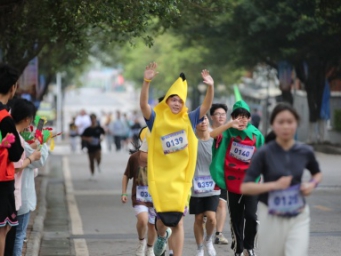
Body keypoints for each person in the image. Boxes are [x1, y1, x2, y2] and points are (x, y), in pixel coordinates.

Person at [140, 62, 214, 256]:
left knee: (179, 219)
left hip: (181, 180)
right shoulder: (156, 118)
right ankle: (162, 235)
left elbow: (206, 106)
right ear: (167, 102)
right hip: (160, 180)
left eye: (179, 101)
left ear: (183, 103)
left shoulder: (189, 119)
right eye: (173, 100)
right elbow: (143, 105)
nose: (176, 104)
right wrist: (146, 81)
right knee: (162, 220)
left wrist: (210, 87)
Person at [241, 103, 322, 256]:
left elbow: (317, 173)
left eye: (290, 122)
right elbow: (246, 187)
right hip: (270, 214)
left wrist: (312, 184)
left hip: (298, 214)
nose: (286, 126)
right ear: (273, 125)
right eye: (281, 122)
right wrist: (274, 185)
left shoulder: (305, 151)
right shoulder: (264, 153)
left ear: (297, 124)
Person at [210, 100, 264, 256]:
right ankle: (239, 249)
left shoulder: (257, 134)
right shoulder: (226, 132)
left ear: (249, 118)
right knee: (236, 218)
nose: (242, 120)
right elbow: (211, 135)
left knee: (251, 217)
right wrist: (228, 125)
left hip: (251, 182)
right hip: (232, 182)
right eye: (238, 116)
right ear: (233, 117)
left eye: (245, 116)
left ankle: (249, 246)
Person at [7, 98, 43, 256]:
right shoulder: (17, 139)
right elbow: (18, 166)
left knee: (11, 236)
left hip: (12, 195)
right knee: (18, 237)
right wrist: (32, 156)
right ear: (27, 119)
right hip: (17, 196)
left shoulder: (10, 135)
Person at [0, 64, 24, 256]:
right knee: (2, 231)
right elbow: (16, 154)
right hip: (2, 182)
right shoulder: (5, 119)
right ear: (13, 87)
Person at [121, 128, 156, 256]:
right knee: (143, 220)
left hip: (156, 199)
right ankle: (141, 242)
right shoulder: (134, 158)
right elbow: (126, 175)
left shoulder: (161, 158)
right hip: (140, 197)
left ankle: (150, 248)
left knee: (153, 225)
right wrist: (124, 193)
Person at [190, 115, 220, 256]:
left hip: (212, 185)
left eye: (205, 119)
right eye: (199, 120)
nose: (203, 122)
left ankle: (208, 240)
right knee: (198, 218)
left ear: (209, 122)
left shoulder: (215, 142)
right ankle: (199, 248)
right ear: (194, 124)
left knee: (212, 218)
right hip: (195, 186)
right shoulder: (191, 141)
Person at [209, 103, 229, 245]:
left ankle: (219, 233)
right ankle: (208, 228)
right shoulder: (206, 130)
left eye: (223, 114)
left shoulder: (230, 132)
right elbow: (213, 135)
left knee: (222, 203)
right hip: (205, 174)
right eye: (218, 114)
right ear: (212, 117)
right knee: (208, 208)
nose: (221, 116)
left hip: (222, 173)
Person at [81, 114, 105, 179]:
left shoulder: (99, 128)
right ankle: (92, 173)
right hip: (90, 147)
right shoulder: (87, 129)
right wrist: (88, 139)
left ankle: (98, 164)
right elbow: (82, 137)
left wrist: (101, 139)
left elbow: (103, 134)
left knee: (98, 157)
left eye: (94, 119)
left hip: (97, 146)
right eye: (92, 119)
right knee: (91, 161)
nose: (93, 120)